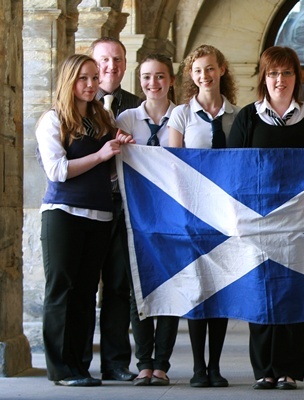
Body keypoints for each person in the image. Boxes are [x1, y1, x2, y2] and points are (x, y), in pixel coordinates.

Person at [36, 54, 134, 386]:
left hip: (100, 215)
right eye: (83, 79)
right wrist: (101, 154)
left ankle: (79, 366)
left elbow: (104, 170)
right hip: (63, 214)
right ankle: (61, 370)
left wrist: (118, 148)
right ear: (69, 81)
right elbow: (58, 171)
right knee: (62, 290)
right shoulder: (53, 120)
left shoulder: (102, 120)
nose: (91, 85)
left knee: (85, 294)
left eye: (94, 78)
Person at [228, 46, 304, 391]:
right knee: (260, 291)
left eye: (287, 73)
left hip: (298, 220)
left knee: (294, 291)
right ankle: (265, 368)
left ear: (297, 77)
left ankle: (290, 369)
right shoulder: (249, 117)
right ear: (264, 77)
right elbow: (232, 167)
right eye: (273, 73)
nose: (280, 80)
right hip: (258, 219)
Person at [167, 44, 240, 388]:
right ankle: (198, 367)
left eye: (210, 68)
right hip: (195, 213)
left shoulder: (238, 115)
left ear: (222, 70)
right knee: (198, 287)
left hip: (226, 214)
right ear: (191, 76)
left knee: (221, 286)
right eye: (197, 71)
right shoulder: (181, 115)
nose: (204, 76)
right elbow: (172, 165)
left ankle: (216, 365)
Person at [115, 54, 180, 387]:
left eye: (160, 77)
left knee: (170, 285)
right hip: (137, 214)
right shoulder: (127, 119)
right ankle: (143, 362)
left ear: (170, 79)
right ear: (139, 81)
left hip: (172, 215)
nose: (153, 84)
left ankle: (162, 363)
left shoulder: (181, 117)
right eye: (146, 77)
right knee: (137, 288)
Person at [89, 36, 143, 383]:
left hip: (124, 206)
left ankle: (116, 362)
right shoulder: (77, 101)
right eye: (105, 60)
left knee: (119, 285)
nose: (112, 66)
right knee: (81, 286)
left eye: (118, 60)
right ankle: (76, 360)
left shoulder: (136, 107)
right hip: (87, 205)